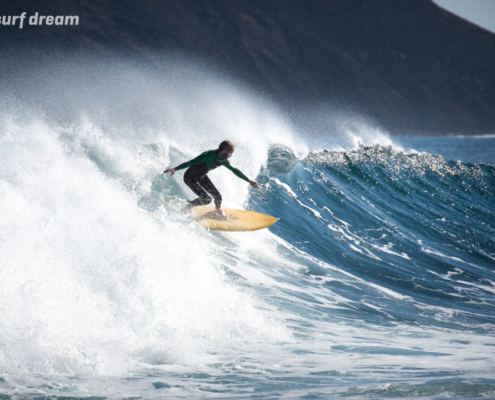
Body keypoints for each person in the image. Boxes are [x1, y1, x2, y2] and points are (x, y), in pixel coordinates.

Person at [163, 141, 259, 219]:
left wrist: (248, 180)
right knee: (207, 199)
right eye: (230, 154)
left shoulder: (222, 159)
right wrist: (175, 169)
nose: (230, 156)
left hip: (201, 176)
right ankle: (189, 206)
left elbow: (234, 170)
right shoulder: (208, 155)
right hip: (190, 177)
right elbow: (191, 162)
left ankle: (217, 211)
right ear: (225, 150)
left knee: (218, 196)